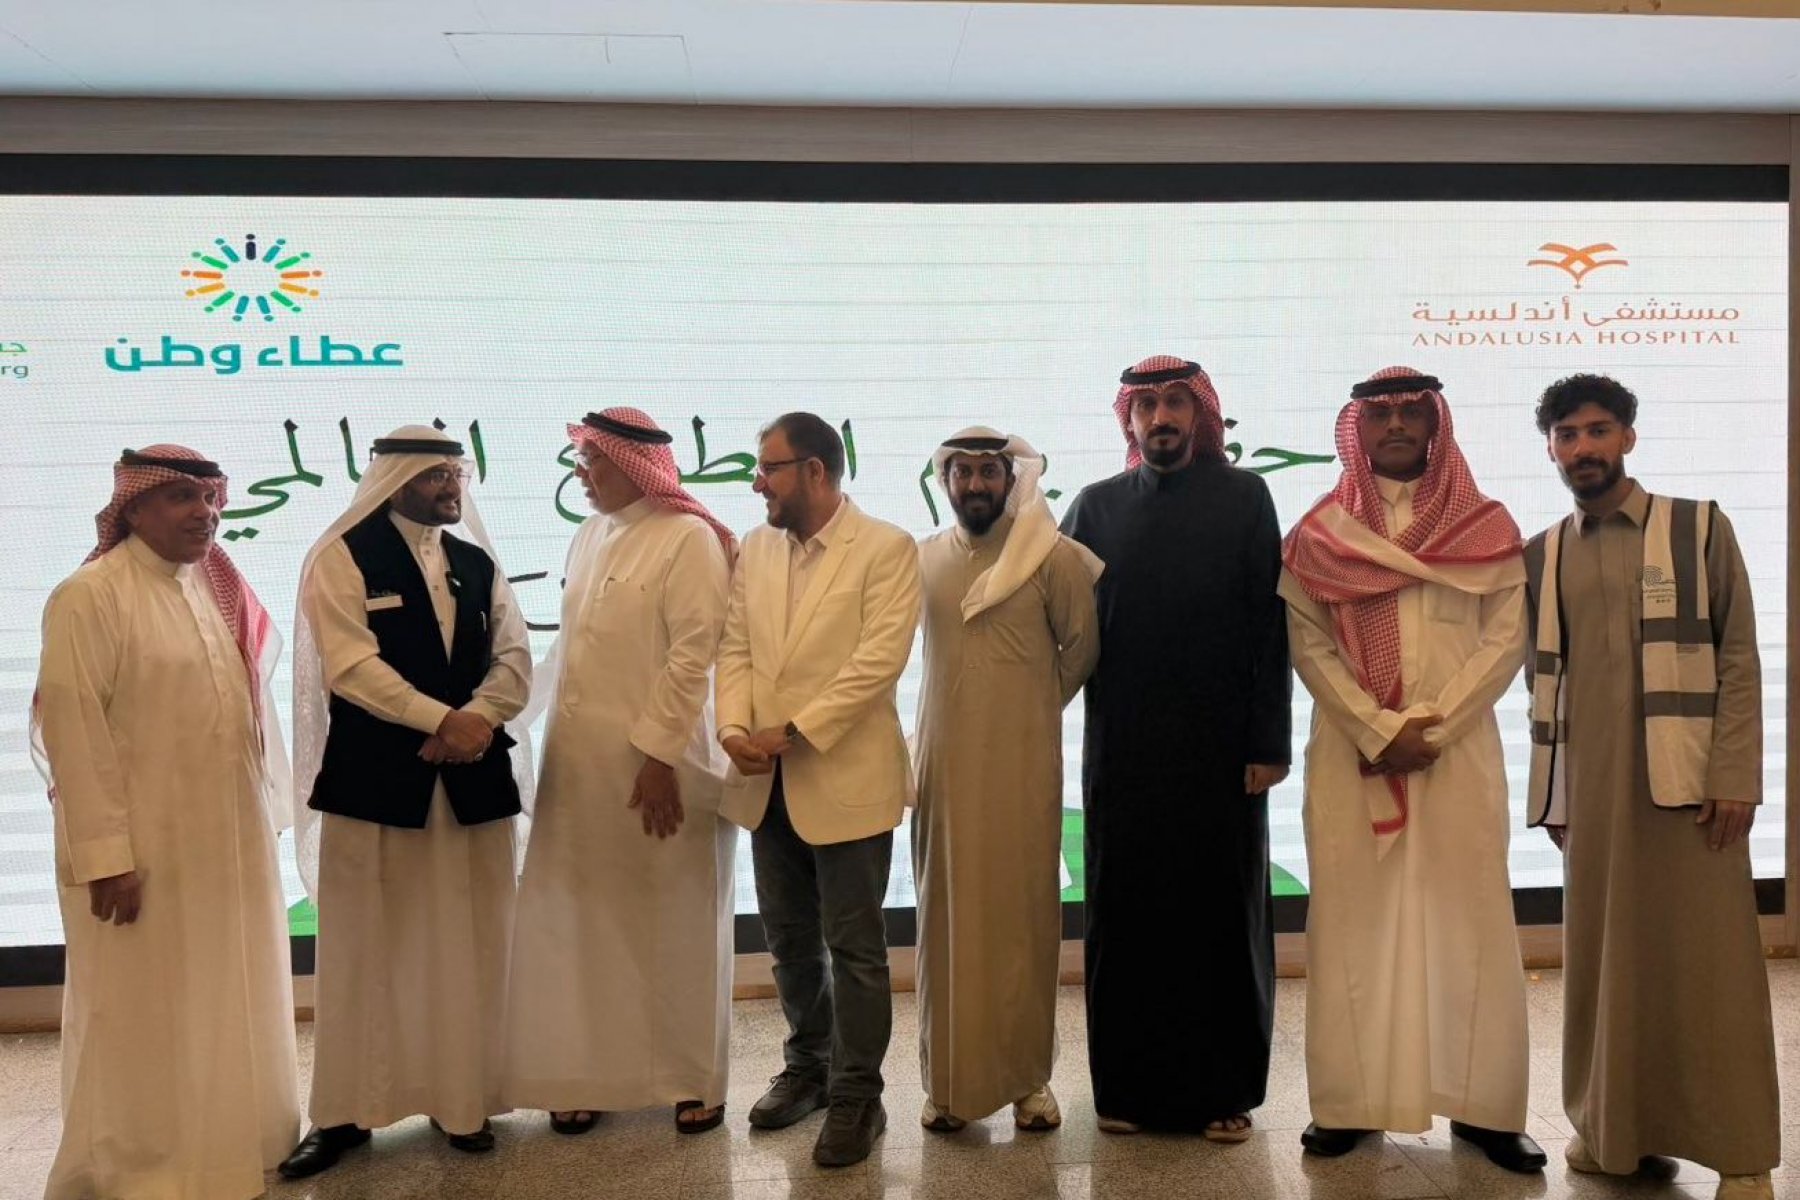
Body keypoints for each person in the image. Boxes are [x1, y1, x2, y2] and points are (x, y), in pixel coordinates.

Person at [1281, 367, 1543, 1172]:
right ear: (1356, 430)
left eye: (1410, 411)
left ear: (1434, 423)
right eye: (1380, 413)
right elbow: (1309, 646)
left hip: (1455, 758)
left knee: (1470, 928)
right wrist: (1376, 730)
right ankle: (1349, 1105)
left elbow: (1507, 640)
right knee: (1353, 929)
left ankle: (1485, 1109)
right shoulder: (1320, 533)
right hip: (1352, 758)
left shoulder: (1487, 526)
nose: (1395, 424)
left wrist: (1431, 728)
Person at [1523, 374, 1778, 1200]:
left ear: (1628, 437)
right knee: (1607, 970)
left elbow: (1738, 656)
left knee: (1712, 970)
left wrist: (1734, 774)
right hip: (1594, 803)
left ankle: (1741, 1154)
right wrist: (1556, 793)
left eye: (1598, 430)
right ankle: (1618, 1134)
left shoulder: (1697, 528)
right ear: (1551, 449)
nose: (1584, 448)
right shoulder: (1542, 553)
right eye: (1567, 435)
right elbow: (1540, 681)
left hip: (1690, 793)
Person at [33, 446, 299, 1200]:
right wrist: (106, 858)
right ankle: (143, 1166)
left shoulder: (211, 586)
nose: (204, 514)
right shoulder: (90, 595)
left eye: (210, 498)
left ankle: (235, 1144)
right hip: (143, 851)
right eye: (182, 497)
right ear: (134, 507)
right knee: (145, 1007)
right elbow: (74, 734)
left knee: (228, 992)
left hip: (229, 842)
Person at [279, 425, 532, 1179]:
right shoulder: (342, 557)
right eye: (435, 476)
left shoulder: (476, 563)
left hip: (470, 784)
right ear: (396, 480)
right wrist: (439, 720)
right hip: (376, 789)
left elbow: (514, 660)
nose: (451, 488)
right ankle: (343, 1115)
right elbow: (351, 666)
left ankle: (462, 1102)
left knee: (468, 947)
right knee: (366, 953)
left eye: (457, 475)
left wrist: (475, 719)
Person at [1059, 355, 1291, 1139]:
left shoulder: (1247, 497)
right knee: (1127, 916)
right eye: (1147, 405)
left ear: (1201, 414)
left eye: (1175, 403)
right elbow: (1055, 615)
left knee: (1220, 915)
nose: (1160, 418)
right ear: (1128, 418)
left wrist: (1269, 741)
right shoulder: (1094, 507)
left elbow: (1270, 626)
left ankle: (1225, 1092)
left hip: (1224, 754)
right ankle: (1126, 1090)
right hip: (1123, 752)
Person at [504, 407, 738, 1136]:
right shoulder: (589, 535)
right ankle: (589, 1074)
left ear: (637, 466)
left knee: (675, 921)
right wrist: (504, 719)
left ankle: (692, 1078)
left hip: (662, 769)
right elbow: (571, 649)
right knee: (589, 924)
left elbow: (695, 654)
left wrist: (660, 756)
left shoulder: (689, 538)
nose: (583, 475)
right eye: (581, 461)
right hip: (581, 768)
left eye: (595, 461)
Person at [714, 412, 921, 1167]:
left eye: (768, 468)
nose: (757, 483)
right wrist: (733, 728)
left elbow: (878, 662)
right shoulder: (756, 548)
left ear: (815, 471)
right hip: (764, 779)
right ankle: (809, 1067)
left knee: (855, 949)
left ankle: (859, 1097)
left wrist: (793, 732)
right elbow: (735, 647)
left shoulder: (888, 547)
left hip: (845, 775)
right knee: (790, 942)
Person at [912, 427, 1101, 1134]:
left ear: (1011, 479)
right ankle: (945, 1083)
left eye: (987, 472)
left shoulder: (1053, 557)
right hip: (943, 771)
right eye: (961, 472)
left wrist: (1023, 711)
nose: (974, 485)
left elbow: (1081, 650)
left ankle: (1028, 1082)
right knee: (945, 924)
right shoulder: (922, 558)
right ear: (945, 482)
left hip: (1022, 770)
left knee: (1023, 923)